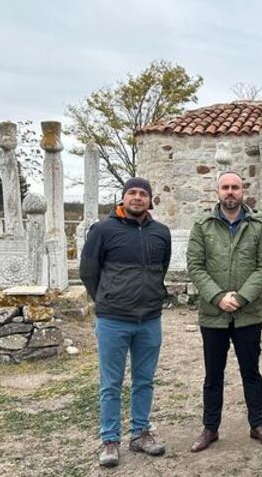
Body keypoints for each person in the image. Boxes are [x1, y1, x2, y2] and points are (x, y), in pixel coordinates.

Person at [79, 176, 171, 468]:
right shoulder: (103, 230)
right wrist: (106, 299)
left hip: (149, 320)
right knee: (111, 383)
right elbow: (88, 272)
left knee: (144, 380)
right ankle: (110, 440)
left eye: (142, 194)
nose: (137, 198)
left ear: (150, 200)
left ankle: (140, 433)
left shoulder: (161, 233)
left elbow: (161, 269)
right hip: (113, 320)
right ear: (123, 197)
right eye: (132, 192)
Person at [186, 171, 262, 452]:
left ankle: (258, 425)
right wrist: (217, 297)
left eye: (235, 187)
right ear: (217, 191)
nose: (230, 192)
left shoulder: (259, 226)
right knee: (213, 374)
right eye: (225, 187)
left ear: (243, 191)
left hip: (247, 315)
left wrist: (240, 297)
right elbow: (195, 265)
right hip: (213, 315)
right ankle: (210, 428)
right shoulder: (202, 225)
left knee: (252, 372)